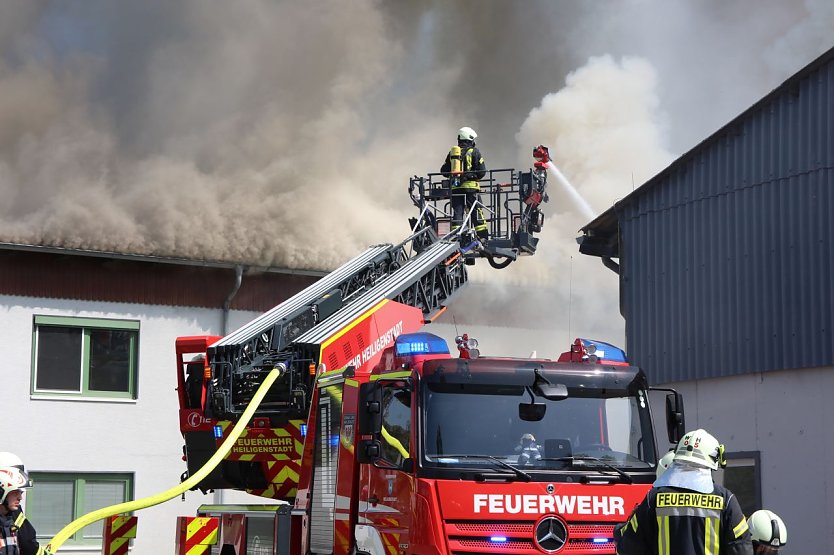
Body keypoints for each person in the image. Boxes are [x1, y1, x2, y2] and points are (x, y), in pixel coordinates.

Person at [615, 428, 753, 555]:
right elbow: (742, 549)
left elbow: (629, 548)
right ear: (713, 462)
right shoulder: (726, 501)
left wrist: (619, 530)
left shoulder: (654, 498)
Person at [440, 126, 489, 241]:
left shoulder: (453, 153)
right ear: (470, 138)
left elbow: (444, 171)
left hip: (456, 189)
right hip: (471, 189)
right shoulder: (474, 152)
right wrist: (471, 175)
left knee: (458, 213)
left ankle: (457, 237)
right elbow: (482, 172)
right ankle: (483, 237)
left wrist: (455, 174)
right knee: (476, 211)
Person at [0, 455, 45, 555]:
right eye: (15, 491)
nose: (20, 498)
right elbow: (28, 542)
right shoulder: (12, 515)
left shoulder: (9, 522)